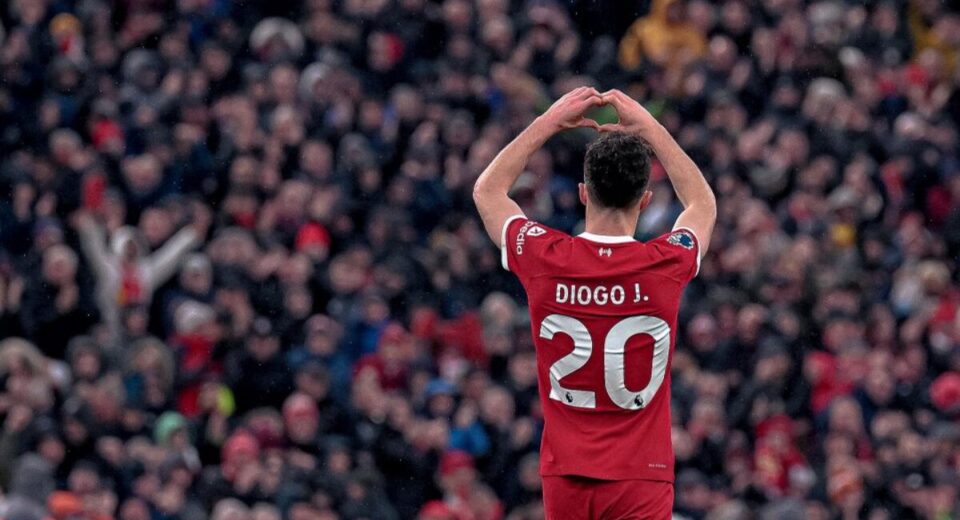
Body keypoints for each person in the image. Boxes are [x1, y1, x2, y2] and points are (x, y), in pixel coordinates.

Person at [473, 86, 716, 519]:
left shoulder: (543, 256)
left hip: (567, 475)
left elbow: (488, 191)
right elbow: (702, 204)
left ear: (584, 193)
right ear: (646, 200)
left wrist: (548, 122)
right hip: (641, 473)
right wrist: (654, 130)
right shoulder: (665, 265)